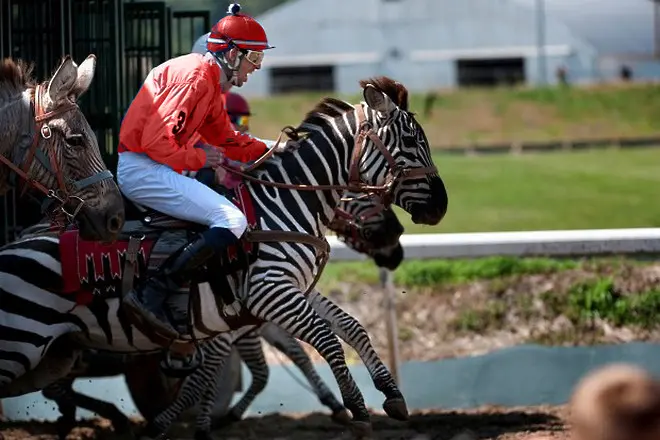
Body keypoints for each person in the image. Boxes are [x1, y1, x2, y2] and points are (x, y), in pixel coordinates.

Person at [116, 3, 293, 340]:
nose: (256, 68)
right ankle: (150, 295)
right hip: (143, 167)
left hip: (153, 165)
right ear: (230, 54)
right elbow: (157, 143)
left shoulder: (209, 81)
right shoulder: (196, 77)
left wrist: (280, 146)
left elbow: (228, 140)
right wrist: (200, 159)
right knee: (233, 220)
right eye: (253, 58)